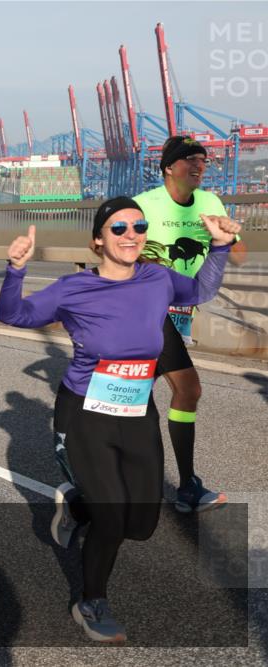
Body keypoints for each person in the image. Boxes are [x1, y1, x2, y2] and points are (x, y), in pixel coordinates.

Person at [0, 198, 239, 642]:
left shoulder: (157, 278)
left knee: (141, 524)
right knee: (111, 519)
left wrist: (220, 247)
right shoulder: (73, 288)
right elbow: (14, 314)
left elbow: (199, 292)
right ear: (97, 240)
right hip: (86, 413)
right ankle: (91, 601)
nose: (132, 235)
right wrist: (15, 270)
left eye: (139, 226)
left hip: (137, 411)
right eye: (119, 228)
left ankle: (76, 505)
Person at [132, 136, 246, 512]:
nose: (199, 165)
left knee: (132, 395)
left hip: (183, 309)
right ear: (168, 166)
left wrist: (226, 236)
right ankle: (185, 488)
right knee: (187, 388)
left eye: (203, 159)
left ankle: (91, 468)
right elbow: (108, 245)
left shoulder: (210, 202)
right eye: (189, 159)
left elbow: (238, 255)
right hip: (147, 308)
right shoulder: (143, 204)